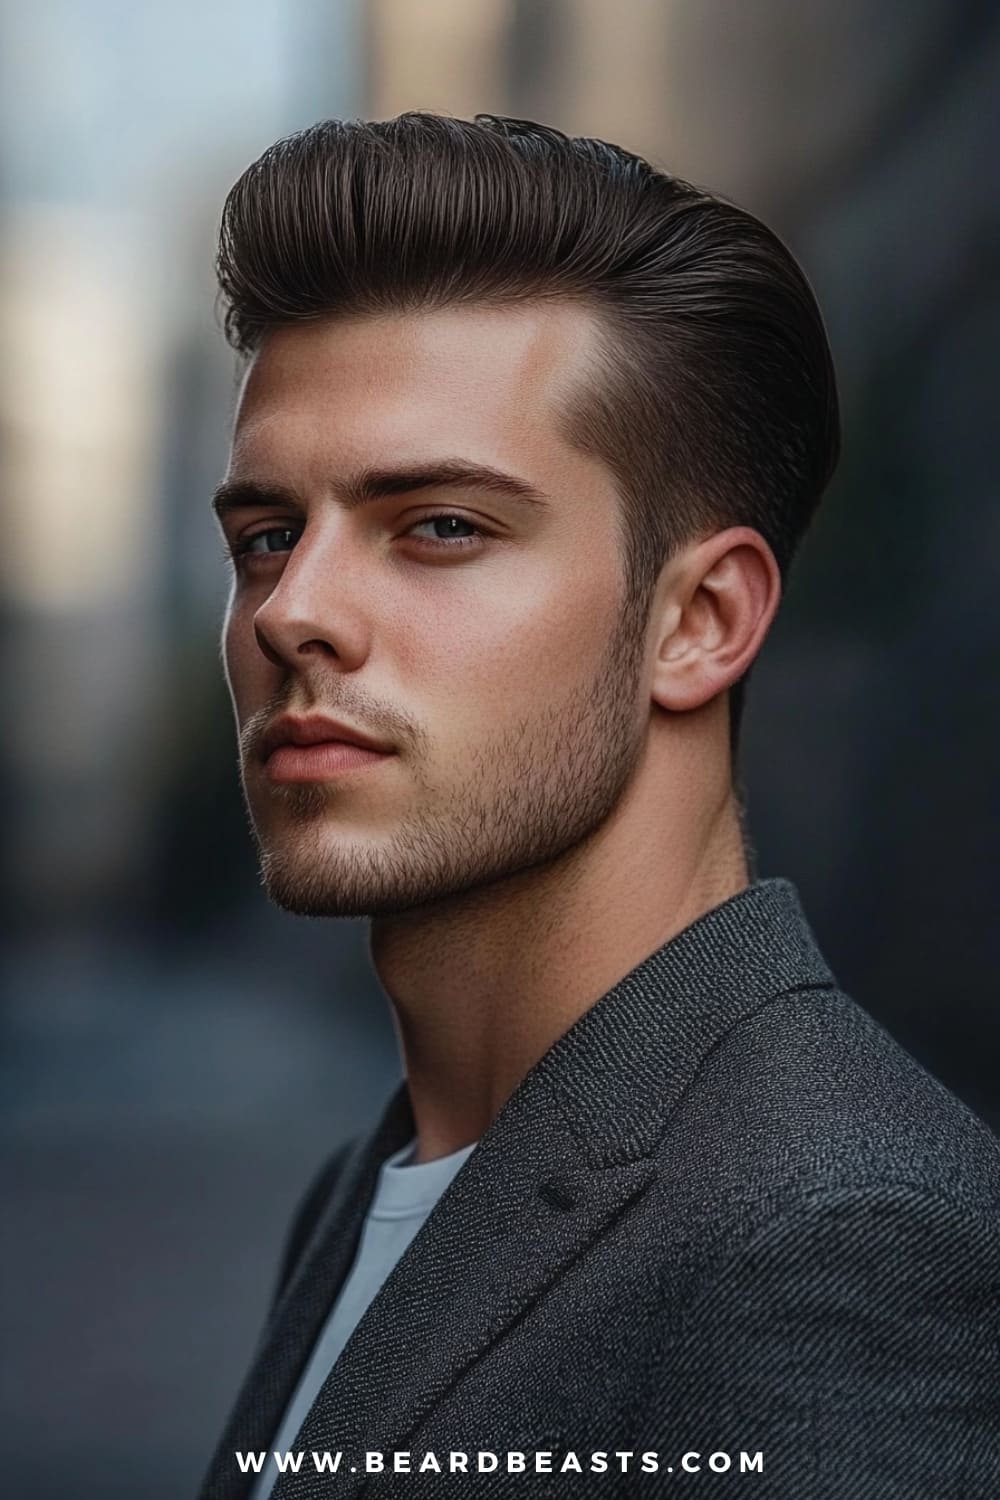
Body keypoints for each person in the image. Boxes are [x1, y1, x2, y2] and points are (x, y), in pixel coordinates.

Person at [196, 113, 999, 1499]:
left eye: (441, 525)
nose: (292, 611)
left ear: (701, 620)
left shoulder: (835, 1230)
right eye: (267, 536)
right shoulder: (370, 1187)